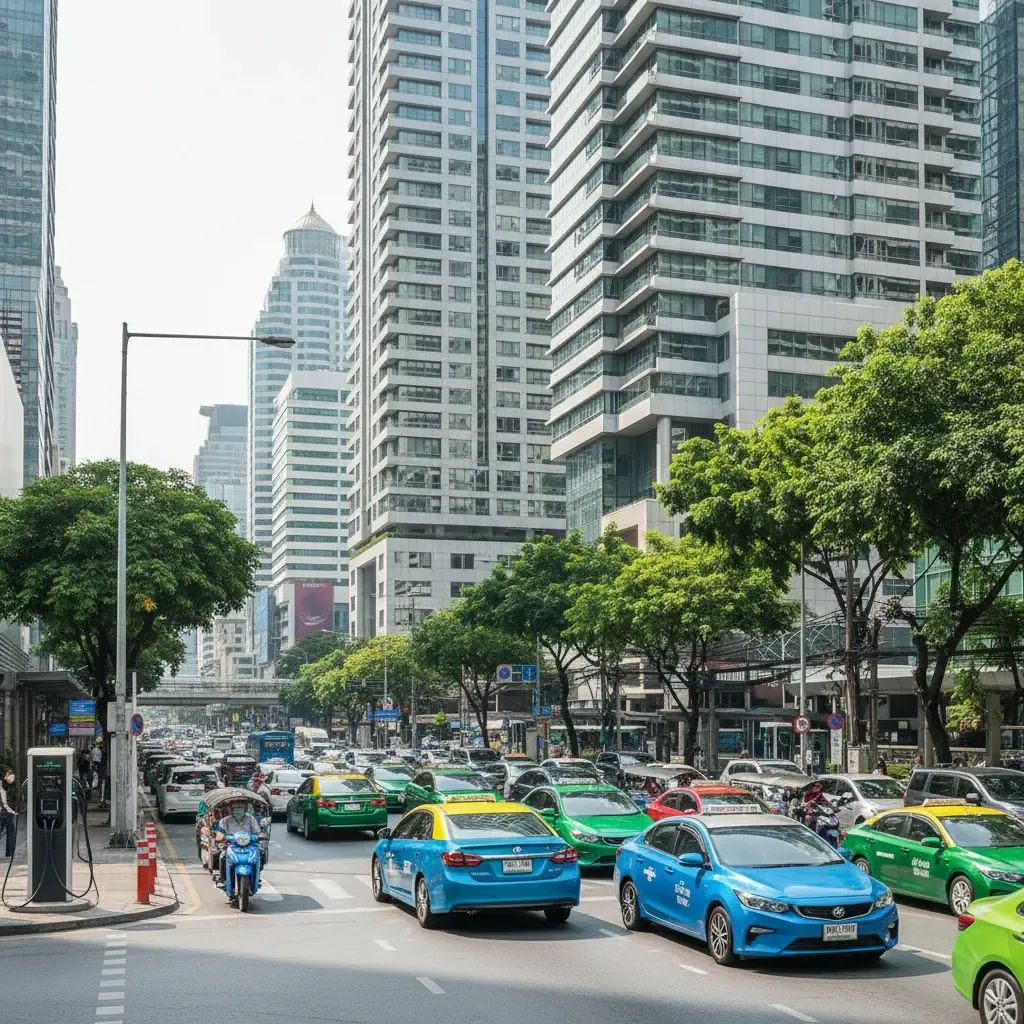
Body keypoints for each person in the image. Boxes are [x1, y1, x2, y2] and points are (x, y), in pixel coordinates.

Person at [215, 803, 263, 899]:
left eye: (240, 807)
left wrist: (259, 836)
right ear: (231, 809)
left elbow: (258, 832)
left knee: (261, 854)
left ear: (245, 808)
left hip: (249, 845)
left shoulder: (251, 819)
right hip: (232, 845)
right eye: (235, 808)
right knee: (223, 856)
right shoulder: (225, 820)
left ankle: (256, 877)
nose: (237, 810)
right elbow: (219, 832)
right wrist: (221, 836)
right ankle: (223, 879)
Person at [0, 769, 16, 858]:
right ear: (6, 775)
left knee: (11, 832)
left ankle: (10, 853)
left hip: (8, 813)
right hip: (3, 812)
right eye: (12, 777)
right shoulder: (2, 784)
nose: (13, 779)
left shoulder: (11, 786)